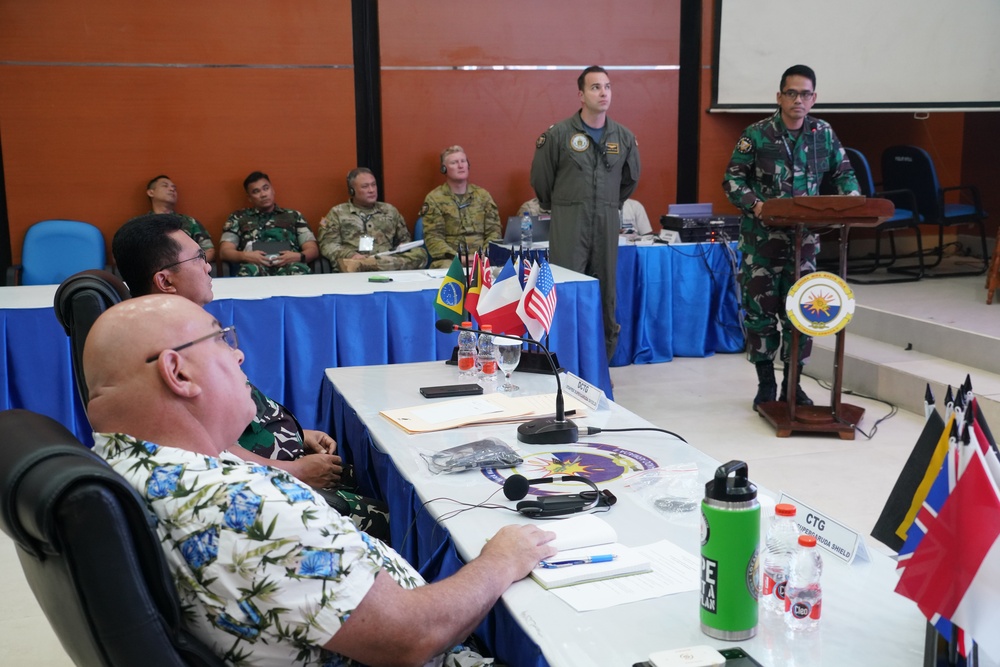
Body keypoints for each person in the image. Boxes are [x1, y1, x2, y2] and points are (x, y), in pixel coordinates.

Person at [83, 293, 557, 667]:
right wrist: (500, 560)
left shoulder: (130, 460)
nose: (239, 354)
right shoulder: (240, 507)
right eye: (221, 338)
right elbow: (413, 639)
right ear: (178, 371)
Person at [113, 213, 388, 540]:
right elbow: (207, 451)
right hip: (266, 490)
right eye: (198, 258)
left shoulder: (182, 327)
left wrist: (298, 434)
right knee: (392, 516)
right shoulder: (170, 353)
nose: (208, 266)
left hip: (285, 461)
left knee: (380, 474)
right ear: (166, 281)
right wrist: (295, 472)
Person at [722, 64, 859, 412]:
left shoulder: (823, 134)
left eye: (806, 94)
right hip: (761, 243)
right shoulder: (756, 134)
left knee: (801, 314)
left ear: (815, 98)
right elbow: (734, 181)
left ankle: (792, 385)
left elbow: (845, 177)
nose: (799, 100)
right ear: (779, 96)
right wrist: (758, 208)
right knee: (760, 315)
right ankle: (766, 383)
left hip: (804, 246)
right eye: (792, 93)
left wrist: (852, 204)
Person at [531, 65, 641, 360]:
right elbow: (541, 180)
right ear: (580, 94)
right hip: (569, 221)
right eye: (595, 87)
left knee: (605, 296)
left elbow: (630, 179)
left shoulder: (624, 137)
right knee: (567, 291)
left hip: (605, 221)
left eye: (607, 86)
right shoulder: (558, 135)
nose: (603, 92)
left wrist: (607, 204)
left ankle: (601, 366)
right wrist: (566, 205)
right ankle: (563, 362)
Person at [318, 167, 427, 272]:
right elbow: (328, 245)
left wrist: (402, 247)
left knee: (420, 253)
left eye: (373, 185)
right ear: (352, 191)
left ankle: (371, 265)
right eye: (365, 186)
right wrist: (350, 255)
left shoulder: (389, 210)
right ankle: (366, 265)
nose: (371, 190)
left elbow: (405, 240)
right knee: (352, 264)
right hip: (354, 261)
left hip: (388, 259)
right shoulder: (337, 213)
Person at [219, 171, 319, 276]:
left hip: (290, 265)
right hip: (254, 266)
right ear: (249, 198)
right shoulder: (238, 217)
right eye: (256, 191)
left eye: (266, 188)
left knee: (300, 272)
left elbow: (312, 249)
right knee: (247, 274)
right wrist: (245, 256)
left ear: (273, 190)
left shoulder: (293, 216)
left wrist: (299, 256)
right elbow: (225, 251)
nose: (263, 194)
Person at [420, 146, 501, 268]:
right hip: (450, 260)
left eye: (463, 161)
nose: (460, 166)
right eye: (454, 162)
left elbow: (494, 231)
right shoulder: (434, 198)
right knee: (447, 270)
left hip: (483, 258)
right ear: (444, 169)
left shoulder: (483, 196)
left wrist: (484, 254)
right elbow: (433, 238)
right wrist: (458, 257)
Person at [145, 175, 216, 262]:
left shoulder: (189, 222)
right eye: (165, 185)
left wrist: (193, 265)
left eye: (174, 187)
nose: (172, 189)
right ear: (151, 192)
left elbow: (209, 250)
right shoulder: (138, 225)